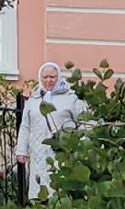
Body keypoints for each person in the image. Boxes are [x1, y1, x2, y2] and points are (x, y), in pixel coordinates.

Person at [14, 61, 86, 201]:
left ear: (58, 77)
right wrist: (21, 150)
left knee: (60, 187)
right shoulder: (34, 100)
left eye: (52, 77)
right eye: (45, 77)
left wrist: (82, 147)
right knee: (39, 187)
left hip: (62, 151)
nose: (48, 80)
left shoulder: (71, 98)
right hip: (38, 151)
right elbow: (25, 126)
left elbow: (83, 124)